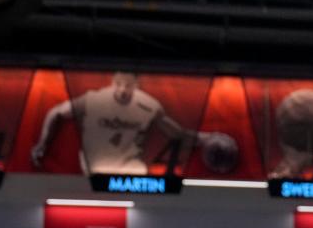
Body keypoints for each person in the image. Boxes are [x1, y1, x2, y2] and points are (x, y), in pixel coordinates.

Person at [30, 71, 234, 175]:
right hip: (93, 167)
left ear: (136, 85)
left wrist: (208, 138)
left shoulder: (148, 105)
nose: (122, 90)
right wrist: (43, 142)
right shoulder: (94, 99)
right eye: (118, 84)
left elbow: (175, 133)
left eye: (127, 85)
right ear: (112, 83)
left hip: (131, 169)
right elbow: (56, 111)